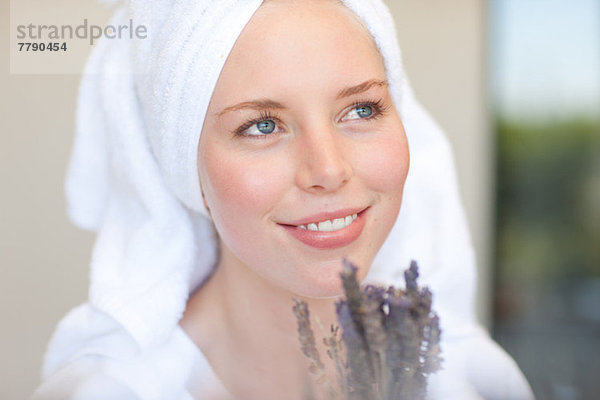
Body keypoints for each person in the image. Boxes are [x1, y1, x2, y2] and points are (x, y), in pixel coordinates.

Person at [33, 0, 534, 399]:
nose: (329, 169)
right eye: (262, 125)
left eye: (361, 109)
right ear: (186, 167)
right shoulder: (110, 392)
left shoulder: (473, 378)